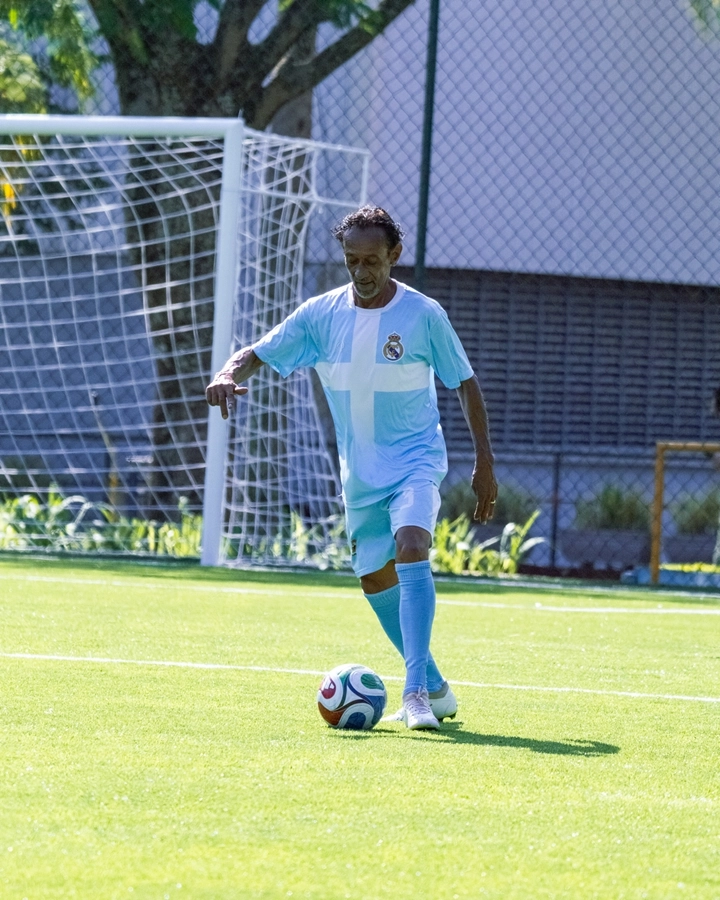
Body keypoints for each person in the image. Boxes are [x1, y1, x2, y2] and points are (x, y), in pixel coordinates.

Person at [205, 206, 497, 730]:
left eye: (372, 261)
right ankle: (434, 684)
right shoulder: (321, 314)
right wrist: (228, 372)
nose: (362, 272)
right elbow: (261, 351)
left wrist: (484, 462)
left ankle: (414, 695)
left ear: (394, 256)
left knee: (412, 544)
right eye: (351, 261)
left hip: (416, 460)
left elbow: (465, 383)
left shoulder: (424, 314)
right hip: (360, 472)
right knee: (373, 577)